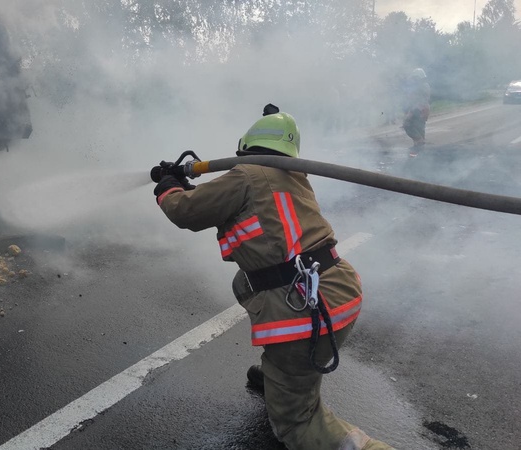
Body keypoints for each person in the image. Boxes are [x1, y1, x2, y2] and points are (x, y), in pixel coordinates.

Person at [153, 104, 393, 450]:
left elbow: (185, 211)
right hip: (338, 292)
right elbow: (226, 203)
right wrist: (188, 187)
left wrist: (168, 188)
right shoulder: (292, 175)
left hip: (305, 312)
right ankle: (278, 373)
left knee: (298, 425)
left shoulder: (245, 175)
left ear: (248, 143)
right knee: (246, 283)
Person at [401, 68, 431, 150]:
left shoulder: (420, 87)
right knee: (420, 127)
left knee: (407, 125)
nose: (413, 79)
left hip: (418, 109)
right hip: (423, 109)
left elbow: (417, 100)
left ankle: (419, 143)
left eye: (415, 77)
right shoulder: (425, 85)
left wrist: (410, 113)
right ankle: (420, 148)